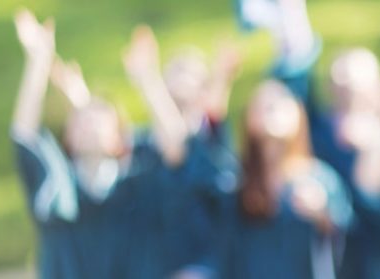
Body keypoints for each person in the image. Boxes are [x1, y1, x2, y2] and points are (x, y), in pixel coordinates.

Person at [11, 10, 172, 278]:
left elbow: (176, 147)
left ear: (120, 140)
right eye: (80, 121)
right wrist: (38, 62)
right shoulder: (57, 189)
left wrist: (148, 80)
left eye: (98, 120)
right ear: (69, 138)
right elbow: (24, 135)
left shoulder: (139, 188)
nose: (88, 125)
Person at [122, 25, 242, 279]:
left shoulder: (214, 136)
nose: (183, 77)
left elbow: (182, 145)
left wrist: (147, 79)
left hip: (206, 262)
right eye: (176, 70)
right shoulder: (141, 142)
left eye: (192, 72)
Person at [227, 80, 353, 279]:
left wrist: (322, 214)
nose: (273, 109)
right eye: (264, 105)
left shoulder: (319, 179)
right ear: (249, 119)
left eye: (280, 102)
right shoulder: (237, 182)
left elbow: (349, 237)